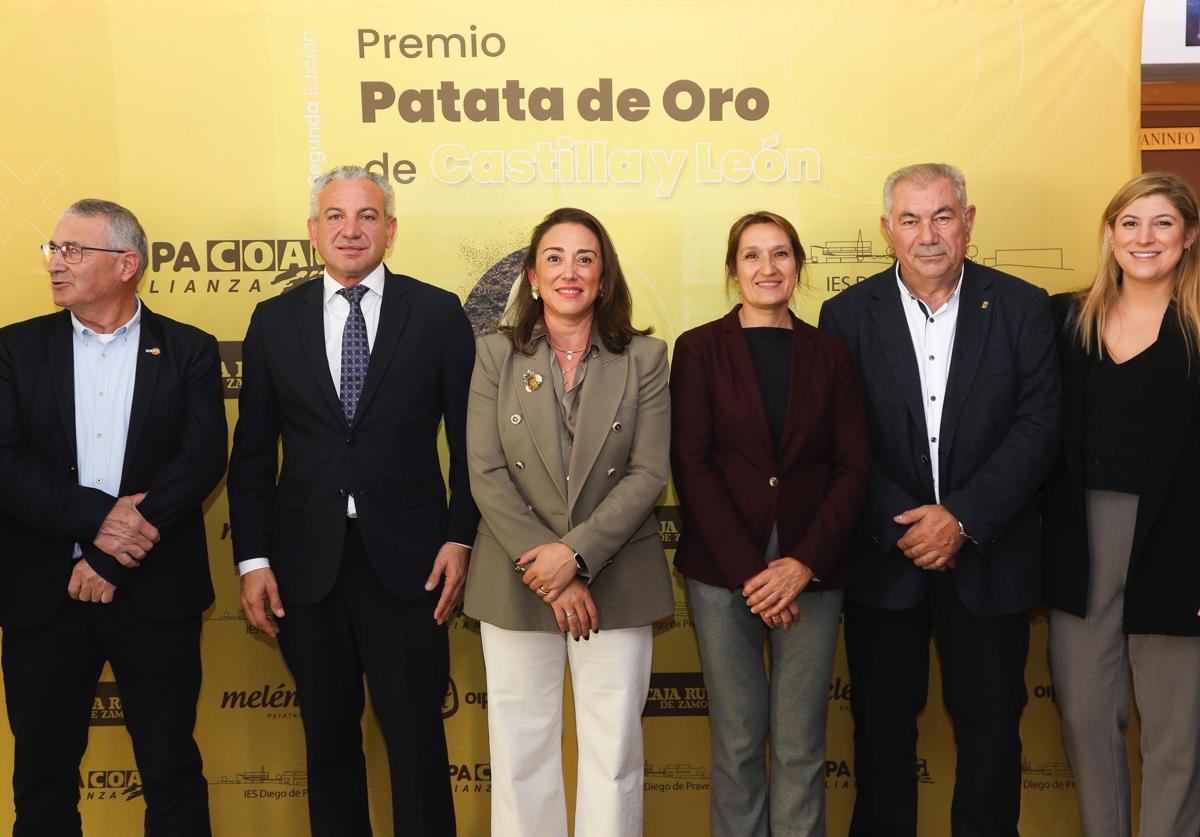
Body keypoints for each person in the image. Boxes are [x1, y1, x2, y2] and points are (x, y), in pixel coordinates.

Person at [227, 165, 478, 837]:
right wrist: (252, 559)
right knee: (329, 746)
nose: (351, 229)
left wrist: (462, 538)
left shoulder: (436, 313)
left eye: (367, 215)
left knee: (418, 746)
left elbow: (472, 445)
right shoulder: (274, 320)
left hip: (411, 566)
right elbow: (251, 455)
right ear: (313, 232)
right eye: (335, 216)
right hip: (307, 568)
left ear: (390, 230)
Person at [818, 163, 1060, 837]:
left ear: (969, 219)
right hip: (885, 563)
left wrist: (961, 518)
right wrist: (909, 524)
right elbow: (840, 438)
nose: (928, 234)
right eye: (912, 219)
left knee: (989, 741)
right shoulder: (845, 315)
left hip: (990, 559)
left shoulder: (1021, 305)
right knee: (882, 740)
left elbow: (1039, 425)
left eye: (943, 215)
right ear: (887, 230)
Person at [0, 199, 226, 836]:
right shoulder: (13, 350)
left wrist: (109, 554)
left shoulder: (188, 350)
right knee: (42, 779)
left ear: (128, 265)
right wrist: (99, 521)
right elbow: (6, 460)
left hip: (153, 592)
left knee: (171, 770)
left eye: (74, 250)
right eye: (54, 249)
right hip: (44, 594)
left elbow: (202, 458)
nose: (56, 263)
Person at [463, 207, 672, 837]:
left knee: (613, 761)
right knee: (521, 757)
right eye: (554, 258)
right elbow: (486, 471)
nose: (570, 272)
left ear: (604, 277)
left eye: (586, 258)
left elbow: (648, 473)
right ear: (531, 275)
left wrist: (575, 556)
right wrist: (551, 566)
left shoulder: (645, 357)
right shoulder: (494, 355)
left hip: (617, 579)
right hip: (518, 578)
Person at [669, 211, 869, 836]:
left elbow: (853, 464)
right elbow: (690, 462)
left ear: (798, 266)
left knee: (801, 740)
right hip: (724, 569)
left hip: (813, 566)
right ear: (733, 270)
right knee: (735, 737)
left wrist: (802, 563)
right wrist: (754, 573)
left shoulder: (831, 353)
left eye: (780, 254)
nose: (767, 268)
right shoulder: (698, 348)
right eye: (752, 256)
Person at [1043, 172, 1200, 837]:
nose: (1145, 238)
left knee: (1176, 732)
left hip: (1183, 541)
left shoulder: (1198, 328)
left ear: (1189, 237)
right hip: (1082, 538)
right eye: (1130, 223)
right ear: (1109, 234)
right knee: (1084, 713)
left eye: (1162, 223)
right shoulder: (1063, 317)